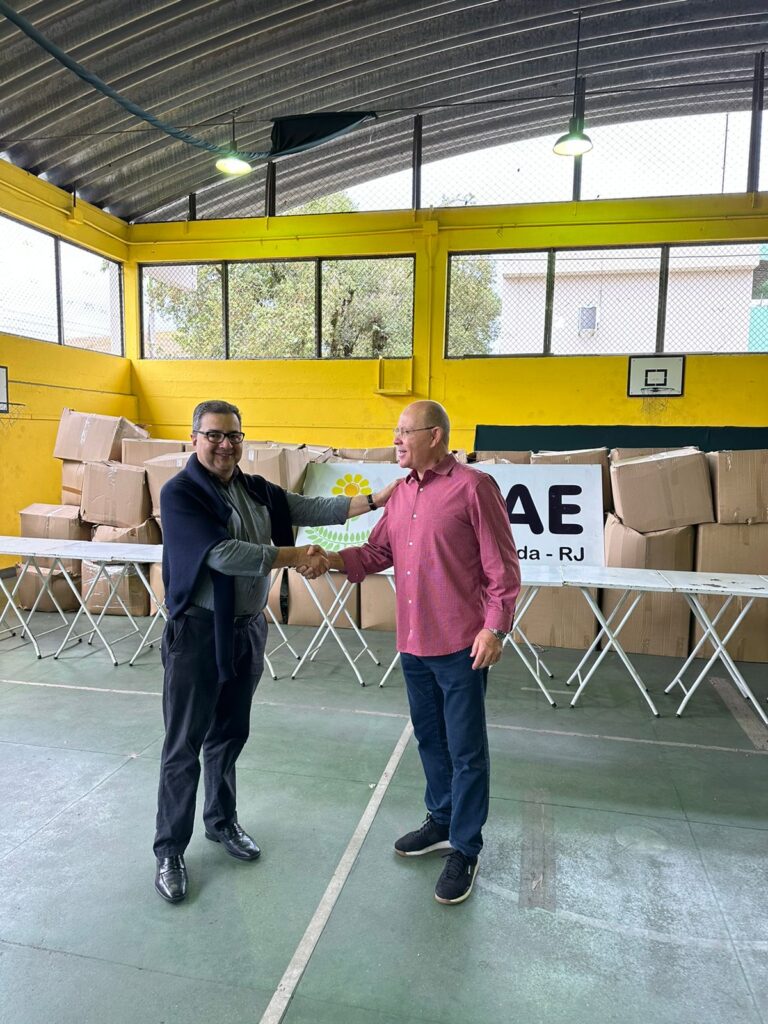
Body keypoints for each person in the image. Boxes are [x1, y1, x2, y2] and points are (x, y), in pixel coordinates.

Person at [154, 400, 395, 904]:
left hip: (246, 630)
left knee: (230, 734)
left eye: (234, 436)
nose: (225, 445)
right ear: (194, 438)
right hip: (198, 633)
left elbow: (307, 508)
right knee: (184, 745)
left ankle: (221, 821)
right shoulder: (180, 493)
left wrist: (376, 499)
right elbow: (222, 555)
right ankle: (170, 850)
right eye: (214, 435)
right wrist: (295, 555)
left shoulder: (256, 489)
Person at [319, 400, 520, 905]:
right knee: (430, 739)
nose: (396, 439)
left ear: (435, 436)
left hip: (461, 644)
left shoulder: (474, 488)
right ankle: (442, 819)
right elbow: (376, 552)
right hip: (413, 642)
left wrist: (495, 628)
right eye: (396, 431)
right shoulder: (402, 492)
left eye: (405, 431)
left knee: (466, 750)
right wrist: (330, 560)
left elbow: (502, 566)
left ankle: (466, 847)